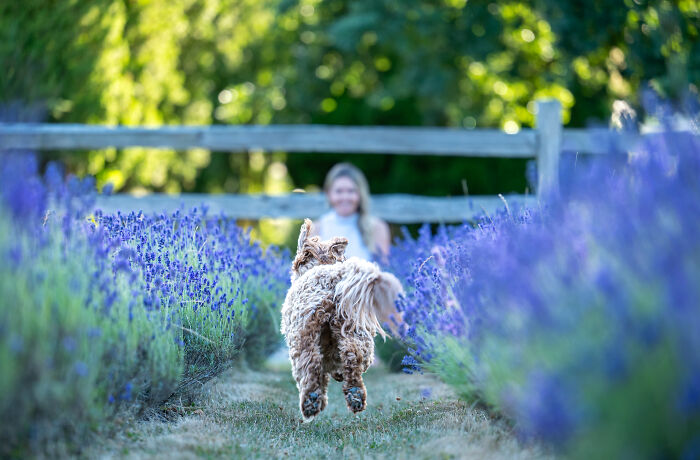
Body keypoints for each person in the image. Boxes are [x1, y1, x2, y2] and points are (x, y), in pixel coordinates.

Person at [312, 163, 390, 261]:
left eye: (351, 191)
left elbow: (383, 265)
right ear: (329, 193)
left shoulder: (377, 227)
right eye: (339, 191)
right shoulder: (317, 228)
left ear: (360, 194)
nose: (345, 197)